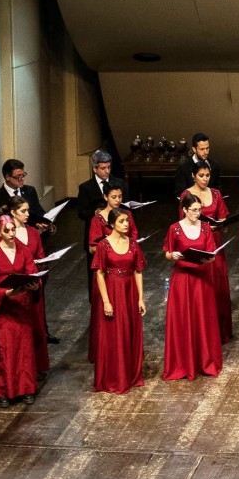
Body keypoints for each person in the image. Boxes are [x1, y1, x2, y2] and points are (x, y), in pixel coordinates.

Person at [0, 215, 41, 407]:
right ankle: (3, 391)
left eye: (12, 229)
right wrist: (6, 292)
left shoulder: (23, 250)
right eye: (6, 230)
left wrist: (34, 285)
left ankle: (26, 388)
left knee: (23, 349)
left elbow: (32, 272)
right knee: (4, 349)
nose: (10, 233)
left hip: (21, 305)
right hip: (4, 309)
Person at [163, 193, 222, 380]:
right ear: (185, 210)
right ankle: (183, 363)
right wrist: (173, 256)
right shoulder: (174, 229)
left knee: (202, 319)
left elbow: (212, 254)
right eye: (194, 210)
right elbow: (167, 253)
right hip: (182, 280)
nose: (198, 213)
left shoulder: (205, 228)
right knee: (183, 320)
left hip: (201, 279)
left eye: (199, 210)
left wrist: (209, 257)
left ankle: (204, 360)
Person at [91, 208, 146, 393]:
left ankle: (130, 374)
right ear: (112, 224)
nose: (126, 224)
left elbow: (138, 271)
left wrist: (141, 298)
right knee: (113, 334)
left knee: (129, 331)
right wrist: (106, 301)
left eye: (127, 221)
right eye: (122, 221)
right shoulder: (103, 245)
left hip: (129, 290)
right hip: (113, 290)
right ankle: (114, 376)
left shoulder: (133, 244)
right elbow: (99, 273)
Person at [180, 161, 232, 344]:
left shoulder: (216, 193)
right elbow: (182, 224)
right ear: (193, 175)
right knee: (202, 285)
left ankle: (220, 331)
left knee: (217, 283)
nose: (205, 179)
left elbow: (223, 217)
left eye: (207, 175)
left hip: (214, 241)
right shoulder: (186, 195)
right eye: (201, 175)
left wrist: (219, 224)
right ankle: (202, 330)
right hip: (197, 242)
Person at [86, 179, 137, 362]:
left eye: (120, 196)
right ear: (105, 197)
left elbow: (134, 239)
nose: (117, 200)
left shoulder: (126, 215)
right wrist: (110, 246)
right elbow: (92, 247)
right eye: (113, 197)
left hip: (125, 268)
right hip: (106, 271)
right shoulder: (98, 218)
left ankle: (126, 350)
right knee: (106, 313)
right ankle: (105, 352)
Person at [2, 196, 49, 375]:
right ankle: (20, 369)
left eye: (28, 210)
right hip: (18, 287)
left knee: (36, 326)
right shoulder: (6, 235)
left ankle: (36, 367)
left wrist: (42, 265)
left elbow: (41, 255)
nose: (27, 214)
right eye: (23, 211)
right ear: (13, 213)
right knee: (20, 329)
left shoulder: (34, 232)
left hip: (33, 283)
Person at [76, 150, 124, 294]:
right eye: (103, 168)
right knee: (96, 274)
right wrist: (95, 213)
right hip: (95, 234)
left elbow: (125, 204)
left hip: (117, 232)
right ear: (95, 168)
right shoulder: (86, 187)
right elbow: (81, 212)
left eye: (109, 167)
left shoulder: (119, 183)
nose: (107, 171)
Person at [0, 158, 46, 235]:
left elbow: (39, 212)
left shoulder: (30, 191)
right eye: (18, 176)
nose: (22, 179)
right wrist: (11, 229)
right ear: (7, 177)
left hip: (31, 237)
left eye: (23, 175)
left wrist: (43, 222)